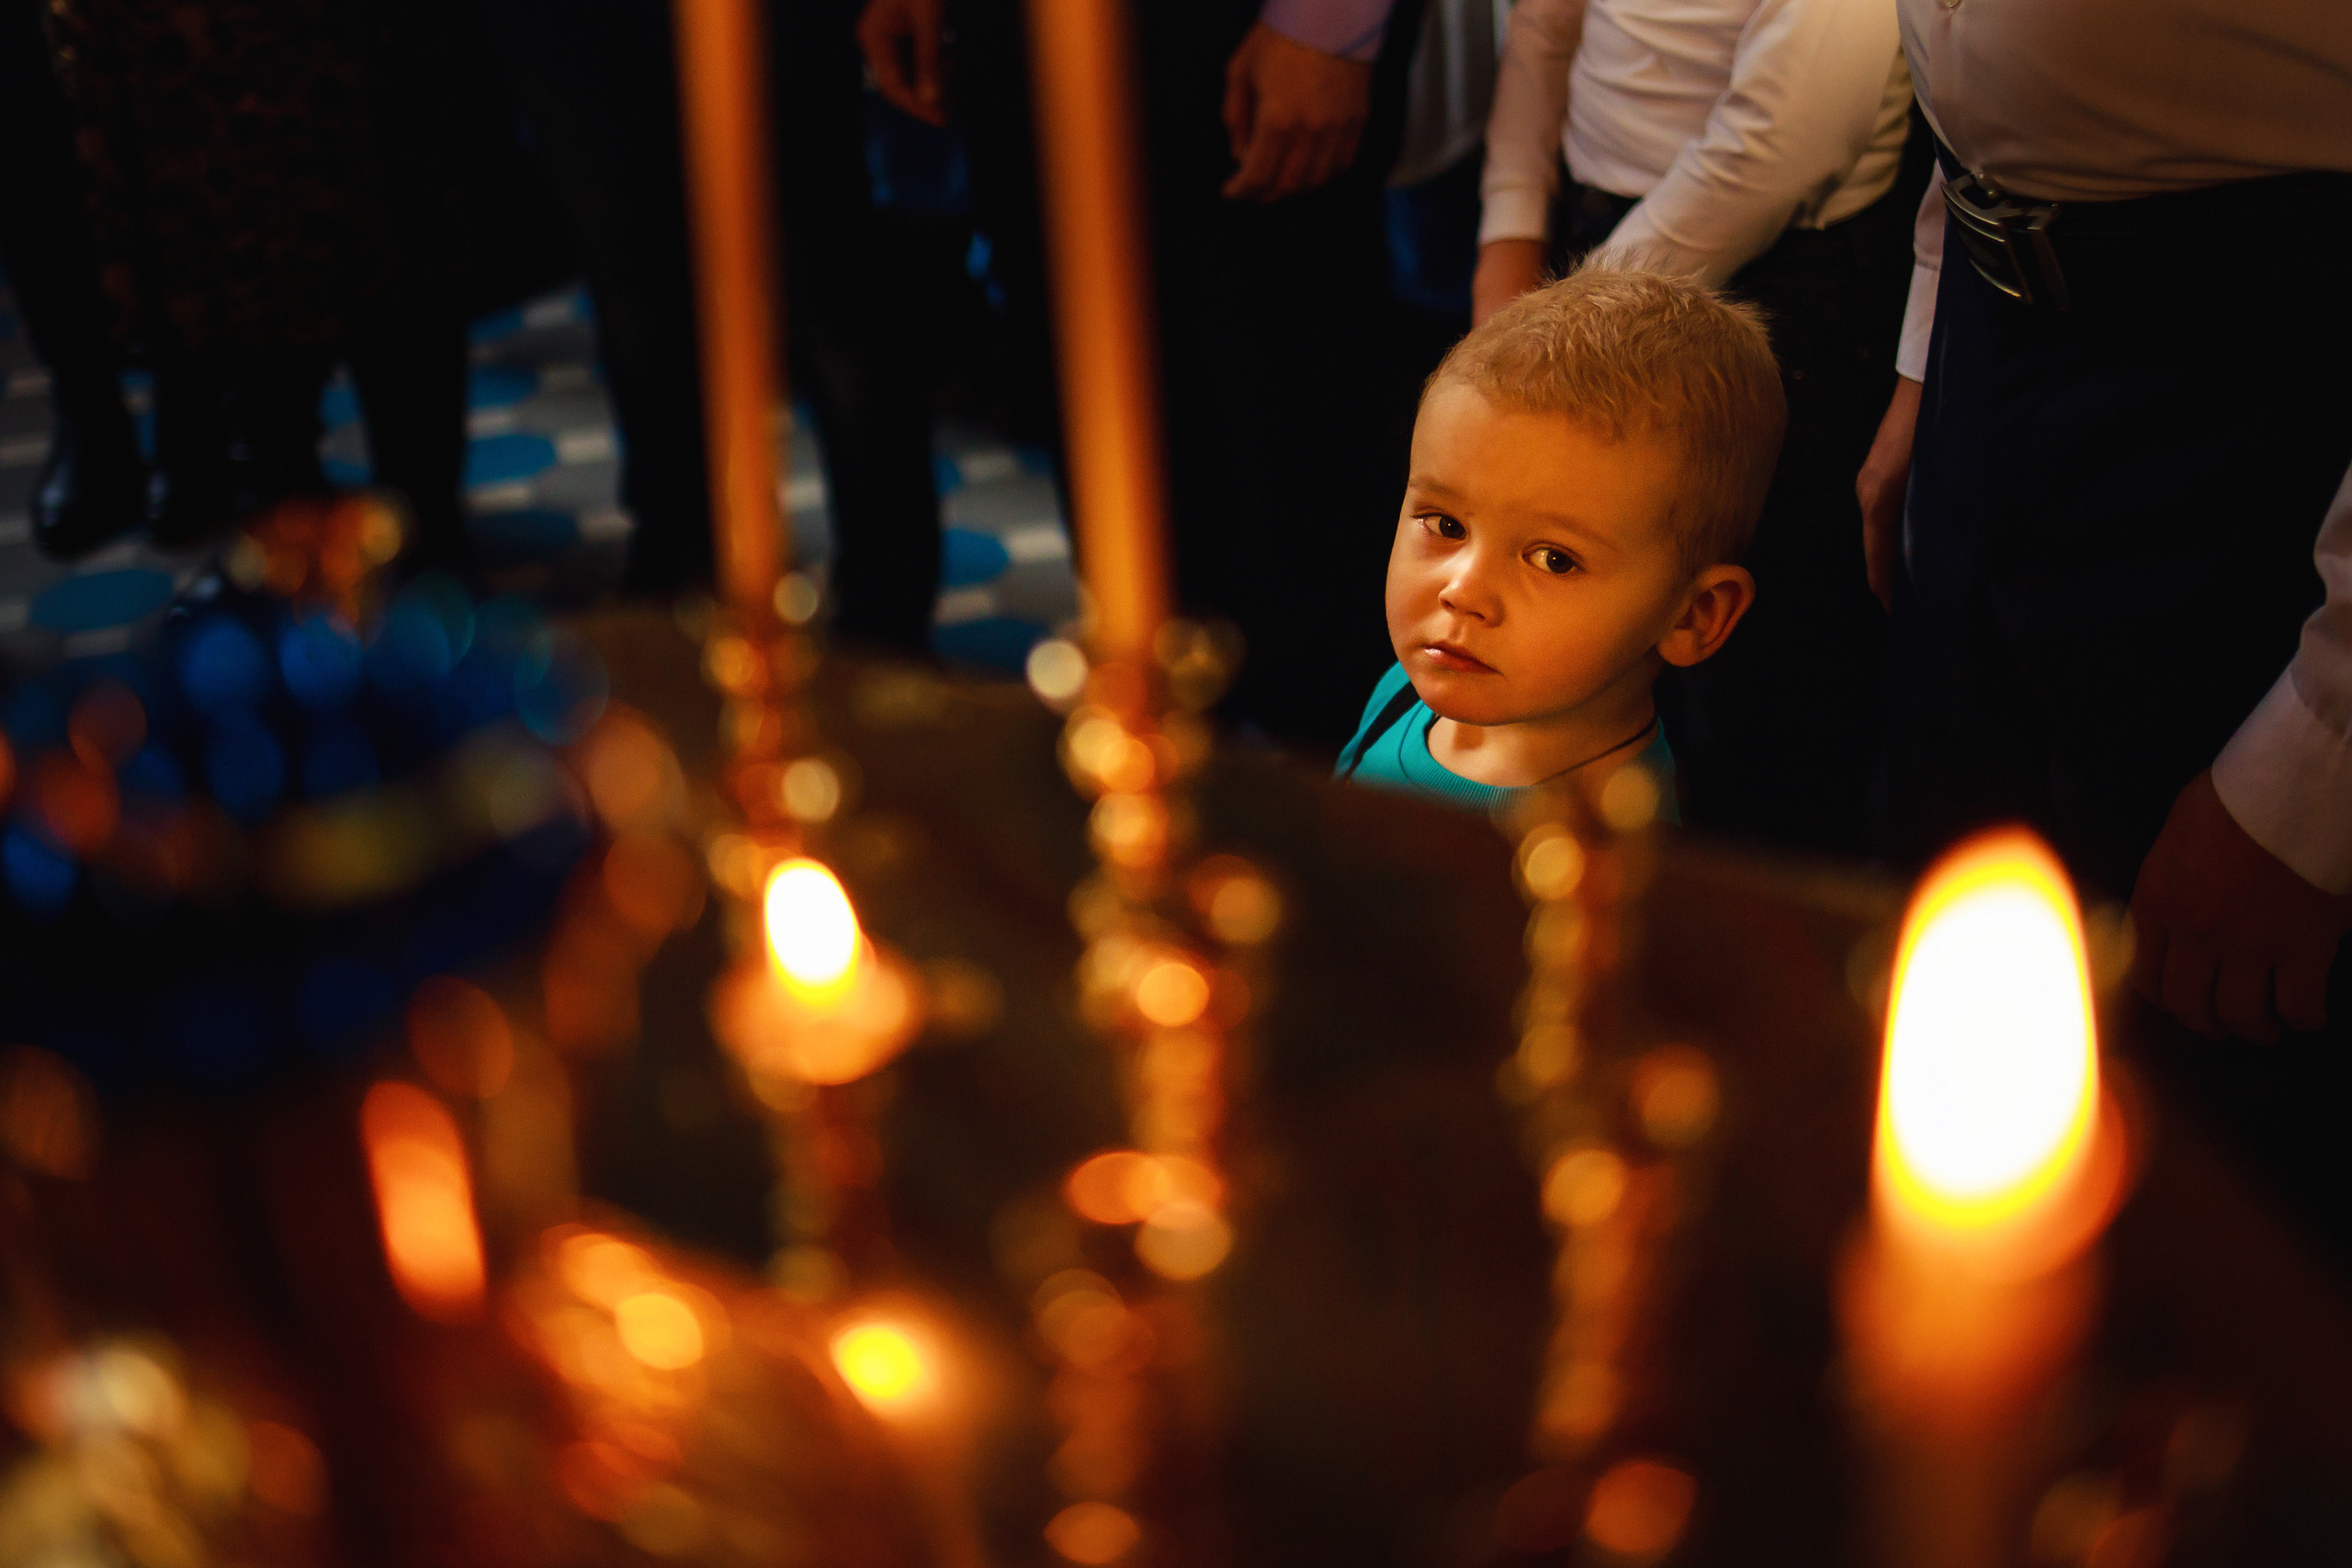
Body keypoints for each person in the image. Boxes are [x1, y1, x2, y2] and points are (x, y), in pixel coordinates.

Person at [1850, 2, 2352, 1242]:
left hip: (2258, 378)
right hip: (1997, 338)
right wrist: (1930, 353)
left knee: (2218, 1094)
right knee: (1950, 968)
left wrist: (2324, 751)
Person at [862, 0, 1429, 745]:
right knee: (1099, 438)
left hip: (1238, 34)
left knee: (1291, 458)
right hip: (1022, 33)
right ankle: (1163, 780)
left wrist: (1329, 25)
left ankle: (1344, 809)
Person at [1471, 0, 1917, 855]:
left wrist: (1575, 315)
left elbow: (1785, 139)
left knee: (1757, 698)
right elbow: (1543, 24)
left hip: (1780, 271)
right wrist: (1512, 230)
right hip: (1588, 240)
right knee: (1577, 638)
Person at [1338, 266, 1782, 818]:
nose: (1463, 591)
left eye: (1554, 560)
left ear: (1693, 615)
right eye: (1446, 525)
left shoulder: (1609, 841)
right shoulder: (1406, 688)